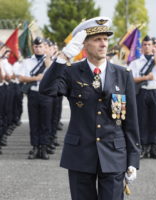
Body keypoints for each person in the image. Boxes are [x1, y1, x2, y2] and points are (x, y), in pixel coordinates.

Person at [39, 16, 140, 200]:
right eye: (97, 39)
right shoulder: (71, 71)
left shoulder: (122, 74)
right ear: (84, 44)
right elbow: (46, 89)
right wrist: (63, 57)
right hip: (80, 154)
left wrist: (133, 160)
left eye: (106, 39)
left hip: (114, 154)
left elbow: (130, 120)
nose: (103, 44)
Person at [129, 35, 156, 159]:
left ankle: (154, 147)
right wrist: (145, 78)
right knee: (142, 120)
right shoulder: (136, 63)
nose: (147, 47)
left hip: (155, 91)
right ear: (142, 47)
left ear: (152, 46)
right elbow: (132, 79)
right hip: (142, 92)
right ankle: (143, 146)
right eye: (145, 45)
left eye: (149, 45)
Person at [18, 37, 53, 160]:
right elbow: (21, 78)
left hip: (46, 95)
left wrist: (49, 68)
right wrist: (35, 79)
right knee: (34, 122)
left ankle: (43, 148)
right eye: (36, 46)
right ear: (33, 47)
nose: (38, 49)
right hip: (33, 94)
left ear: (45, 47)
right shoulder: (27, 62)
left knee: (45, 122)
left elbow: (56, 79)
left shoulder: (50, 62)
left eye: (41, 46)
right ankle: (35, 147)